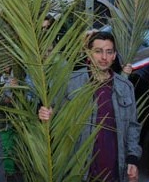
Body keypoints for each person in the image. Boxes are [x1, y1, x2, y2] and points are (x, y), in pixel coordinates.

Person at [38, 31, 141, 182]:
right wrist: (44, 113)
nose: (104, 57)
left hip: (114, 170)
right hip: (79, 170)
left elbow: (132, 126)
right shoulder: (70, 82)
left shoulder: (125, 87)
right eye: (98, 51)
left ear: (114, 55)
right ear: (88, 53)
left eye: (109, 52)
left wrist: (132, 159)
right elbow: (51, 112)